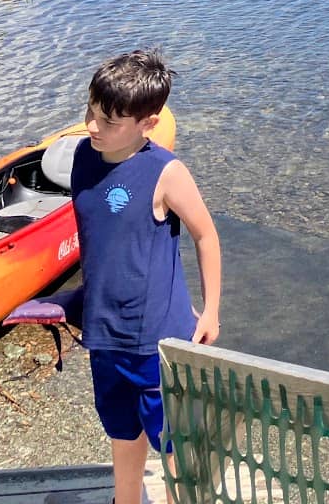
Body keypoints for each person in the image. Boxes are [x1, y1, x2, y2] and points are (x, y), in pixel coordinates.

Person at [71, 49, 222, 504]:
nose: (92, 126)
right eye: (90, 112)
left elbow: (206, 235)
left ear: (148, 123)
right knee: (121, 429)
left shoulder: (166, 173)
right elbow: (104, 242)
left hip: (156, 338)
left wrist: (211, 311)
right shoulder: (83, 155)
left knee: (173, 439)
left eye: (108, 121)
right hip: (104, 333)